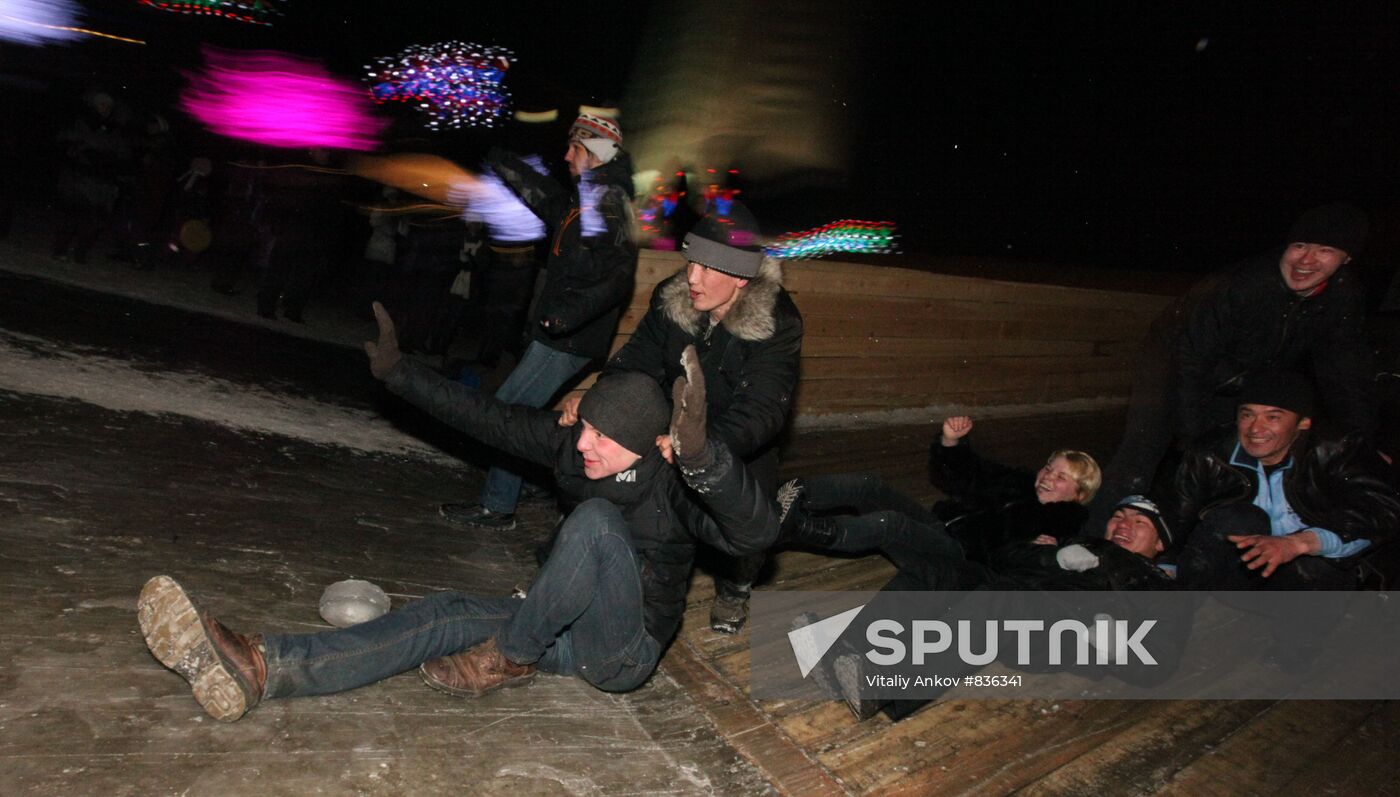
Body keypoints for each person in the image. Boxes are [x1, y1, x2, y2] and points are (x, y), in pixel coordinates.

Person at [135, 306, 777, 722]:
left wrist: (704, 459)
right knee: (445, 611)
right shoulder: (574, 446)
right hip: (562, 624)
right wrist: (400, 374)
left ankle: (512, 656)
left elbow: (756, 532)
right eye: (584, 430)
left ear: (641, 445)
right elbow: (490, 419)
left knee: (597, 524)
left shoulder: (676, 484)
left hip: (622, 650)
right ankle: (265, 665)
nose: (581, 445)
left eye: (601, 440)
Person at [559, 202, 803, 634]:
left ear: (742, 277)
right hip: (673, 424)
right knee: (639, 483)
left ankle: (736, 587)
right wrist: (598, 400)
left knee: (747, 511)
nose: (692, 277)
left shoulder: (776, 324)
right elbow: (637, 360)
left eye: (709, 269)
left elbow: (763, 409)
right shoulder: (676, 300)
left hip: (735, 438)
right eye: (692, 262)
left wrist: (703, 449)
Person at [1088, 202, 1379, 534]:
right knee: (1145, 448)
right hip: (1174, 357)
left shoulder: (1342, 297)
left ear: (1346, 259)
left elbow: (1346, 372)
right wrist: (1193, 436)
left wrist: (1363, 443)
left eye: (1325, 250)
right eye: (1299, 246)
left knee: (1234, 457)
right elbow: (1192, 360)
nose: (1306, 260)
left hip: (1243, 375)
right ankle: (1094, 538)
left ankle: (1194, 546)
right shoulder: (1245, 285)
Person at [785, 491, 1177, 719]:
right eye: (1120, 516)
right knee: (938, 570)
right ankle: (844, 648)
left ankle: (887, 687)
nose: (1123, 524)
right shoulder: (1083, 544)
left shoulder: (1160, 587)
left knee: (997, 604)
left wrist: (1113, 637)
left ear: (1161, 545)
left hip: (1064, 631)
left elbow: (1160, 664)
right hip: (1018, 591)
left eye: (1140, 523)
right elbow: (1003, 559)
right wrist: (1052, 557)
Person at [439, 113, 637, 531]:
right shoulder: (585, 198)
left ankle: (498, 506)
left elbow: (617, 276)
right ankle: (538, 481)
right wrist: (499, 158)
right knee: (530, 412)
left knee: (510, 411)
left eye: (576, 149)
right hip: (560, 332)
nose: (566, 156)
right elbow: (542, 194)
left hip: (570, 335)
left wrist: (568, 314)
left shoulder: (608, 203)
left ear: (597, 155)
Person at [1169, 370, 1400, 590]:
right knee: (1237, 518)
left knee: (1318, 566)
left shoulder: (1337, 451)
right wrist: (1165, 568)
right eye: (1247, 415)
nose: (1255, 429)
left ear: (1303, 422)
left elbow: (1382, 513)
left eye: (1272, 417)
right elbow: (1177, 515)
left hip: (1304, 575)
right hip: (1241, 574)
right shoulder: (1211, 453)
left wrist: (1299, 544)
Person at [929, 415, 1101, 562]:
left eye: (1061, 477)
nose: (1048, 476)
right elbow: (966, 474)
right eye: (1048, 468)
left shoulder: (1063, 528)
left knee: (902, 526)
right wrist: (950, 440)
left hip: (957, 557)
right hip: (936, 524)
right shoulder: (1017, 482)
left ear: (1079, 494)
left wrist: (1045, 553)